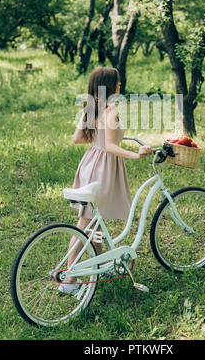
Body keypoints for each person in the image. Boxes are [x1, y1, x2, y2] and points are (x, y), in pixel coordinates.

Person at [59, 66, 152, 294]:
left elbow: (77, 138)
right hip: (103, 168)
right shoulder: (111, 111)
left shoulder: (92, 108)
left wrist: (98, 138)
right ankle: (69, 279)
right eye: (118, 83)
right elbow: (111, 146)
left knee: (95, 223)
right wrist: (136, 154)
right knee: (85, 223)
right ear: (111, 86)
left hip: (92, 162)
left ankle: (98, 265)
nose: (120, 86)